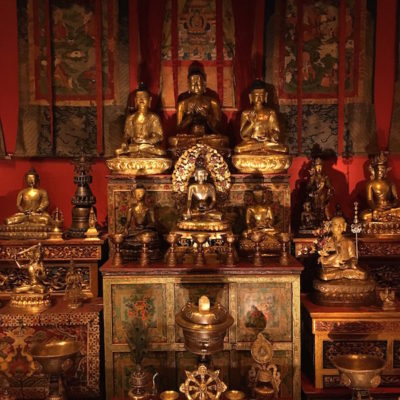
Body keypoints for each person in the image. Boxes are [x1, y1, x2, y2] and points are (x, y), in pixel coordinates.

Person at [169, 66, 229, 151]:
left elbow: (219, 127)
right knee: (173, 140)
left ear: (204, 84)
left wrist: (207, 115)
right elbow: (178, 128)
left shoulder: (212, 102)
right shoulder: (182, 104)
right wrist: (189, 118)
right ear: (188, 85)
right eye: (193, 83)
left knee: (223, 140)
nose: (196, 85)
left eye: (198, 82)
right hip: (189, 137)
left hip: (208, 137)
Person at [234, 79, 288, 155]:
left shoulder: (270, 112)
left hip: (267, 143)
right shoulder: (246, 113)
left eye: (261, 95)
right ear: (250, 97)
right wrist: (251, 123)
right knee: (238, 149)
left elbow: (276, 132)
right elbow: (244, 135)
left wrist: (269, 137)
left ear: (265, 96)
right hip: (253, 143)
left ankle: (261, 147)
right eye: (256, 95)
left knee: (284, 149)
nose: (259, 98)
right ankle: (259, 147)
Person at [115, 83, 166, 158]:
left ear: (149, 100)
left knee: (161, 152)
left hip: (148, 147)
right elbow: (126, 136)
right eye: (139, 97)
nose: (141, 99)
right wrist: (124, 142)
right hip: (134, 147)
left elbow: (160, 137)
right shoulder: (131, 118)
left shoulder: (154, 117)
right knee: (118, 151)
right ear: (135, 100)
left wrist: (146, 141)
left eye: (144, 97)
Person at [318, 216, 367, 281]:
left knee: (363, 274)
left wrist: (348, 263)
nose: (339, 227)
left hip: (347, 268)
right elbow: (323, 259)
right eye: (336, 225)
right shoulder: (326, 241)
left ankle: (343, 273)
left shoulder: (349, 242)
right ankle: (342, 274)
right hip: (332, 268)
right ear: (331, 227)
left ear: (344, 226)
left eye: (341, 224)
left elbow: (353, 258)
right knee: (325, 276)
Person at [361, 151, 400, 222]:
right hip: (377, 208)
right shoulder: (371, 184)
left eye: (383, 170)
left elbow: (396, 198)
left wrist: (392, 205)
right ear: (374, 171)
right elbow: (370, 200)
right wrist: (375, 208)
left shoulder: (390, 183)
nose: (381, 172)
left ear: (386, 171)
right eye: (379, 170)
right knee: (365, 216)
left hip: (389, 208)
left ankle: (384, 217)